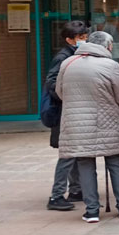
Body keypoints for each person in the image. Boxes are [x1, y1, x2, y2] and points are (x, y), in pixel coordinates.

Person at [54, 31, 119, 223]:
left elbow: (59, 91)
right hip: (108, 122)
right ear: (108, 46)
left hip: (76, 123)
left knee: (85, 164)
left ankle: (91, 211)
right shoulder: (110, 65)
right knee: (115, 161)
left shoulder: (68, 63)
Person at [44, 20, 88, 211]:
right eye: (80, 38)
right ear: (69, 39)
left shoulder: (77, 53)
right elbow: (52, 82)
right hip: (66, 112)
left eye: (85, 37)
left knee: (77, 152)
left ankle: (77, 189)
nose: (84, 40)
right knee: (68, 154)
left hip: (72, 110)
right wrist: (70, 96)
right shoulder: (63, 57)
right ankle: (56, 195)